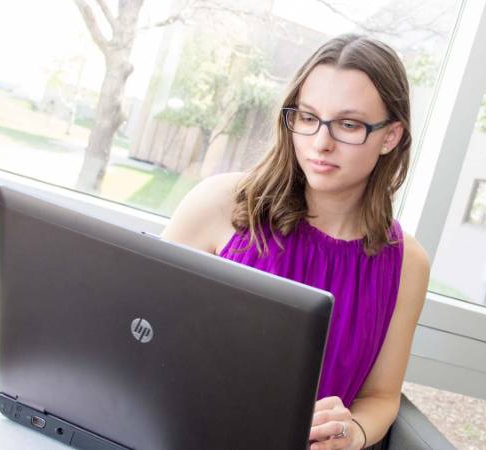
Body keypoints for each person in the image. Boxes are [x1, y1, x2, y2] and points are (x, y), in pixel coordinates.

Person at [161, 34, 430, 450]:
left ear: (391, 136)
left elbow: (381, 396)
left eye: (348, 124)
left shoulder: (407, 263)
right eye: (307, 117)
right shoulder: (223, 203)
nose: (320, 142)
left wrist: (351, 434)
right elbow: (142, 330)